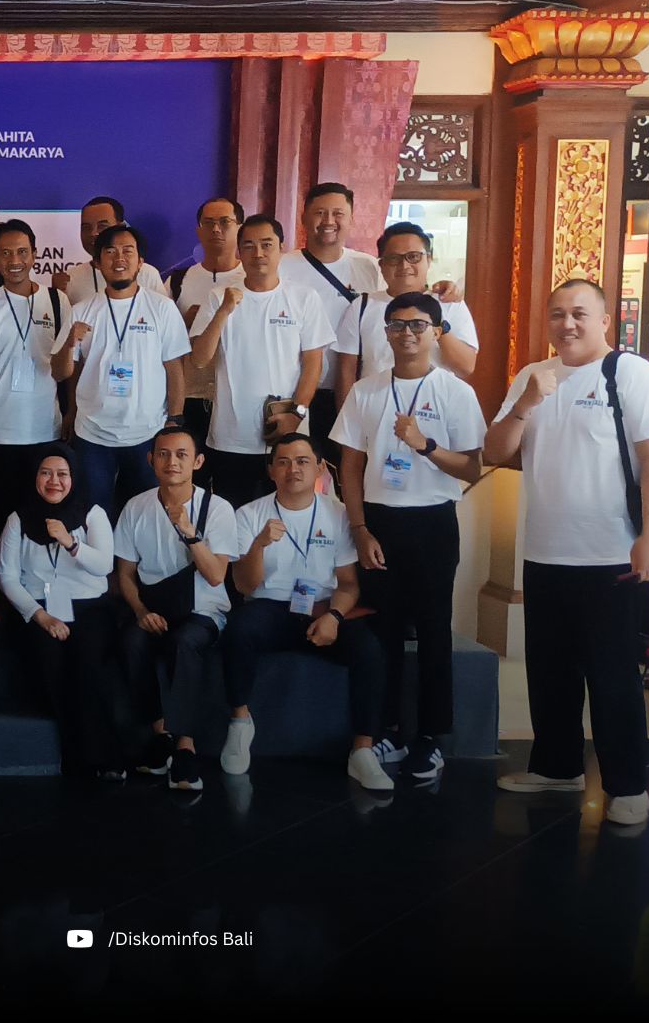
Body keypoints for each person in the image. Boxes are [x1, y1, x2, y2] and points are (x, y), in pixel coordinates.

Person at [485, 279, 649, 826]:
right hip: (546, 550)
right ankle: (557, 766)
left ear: (606, 321)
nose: (567, 324)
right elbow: (495, 451)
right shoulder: (532, 375)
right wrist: (526, 403)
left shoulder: (631, 374)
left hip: (611, 554)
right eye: (557, 314)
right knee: (550, 671)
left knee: (612, 676)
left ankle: (627, 784)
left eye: (580, 314)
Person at [332, 292, 485, 782]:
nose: (407, 334)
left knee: (435, 630)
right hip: (379, 523)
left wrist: (425, 445)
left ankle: (431, 738)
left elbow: (472, 468)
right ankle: (392, 732)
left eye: (418, 325)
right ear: (386, 333)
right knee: (386, 632)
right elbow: (349, 467)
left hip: (433, 521)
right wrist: (359, 529)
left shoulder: (455, 392)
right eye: (397, 325)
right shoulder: (366, 391)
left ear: (437, 332)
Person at [225, 434, 389, 789]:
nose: (293, 470)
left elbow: (349, 584)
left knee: (368, 649)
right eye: (283, 462)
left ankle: (363, 750)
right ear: (271, 470)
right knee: (238, 630)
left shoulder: (340, 514)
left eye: (302, 461)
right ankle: (240, 722)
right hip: (270, 605)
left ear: (319, 468)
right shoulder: (249, 514)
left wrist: (334, 617)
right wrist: (259, 545)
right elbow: (244, 586)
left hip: (322, 608)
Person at [114, 426, 242, 792]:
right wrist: (140, 610)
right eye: (164, 454)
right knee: (131, 642)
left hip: (204, 610)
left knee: (184, 642)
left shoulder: (217, 508)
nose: (172, 461)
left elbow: (216, 576)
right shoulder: (136, 507)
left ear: (198, 462)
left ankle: (186, 746)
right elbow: (124, 575)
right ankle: (161, 735)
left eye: (182, 454)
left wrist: (189, 532)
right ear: (150, 459)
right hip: (153, 607)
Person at [0, 445, 125, 781]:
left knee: (87, 663)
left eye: (62, 474)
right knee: (50, 665)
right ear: (35, 477)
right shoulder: (18, 518)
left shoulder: (92, 513)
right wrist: (41, 616)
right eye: (46, 473)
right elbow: (6, 577)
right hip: (38, 608)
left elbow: (104, 566)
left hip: (89, 606)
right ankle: (78, 757)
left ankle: (102, 757)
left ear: (74, 478)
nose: (54, 481)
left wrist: (71, 543)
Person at [188, 214, 333, 503]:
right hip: (230, 435)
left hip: (285, 435)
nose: (258, 253)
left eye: (267, 244)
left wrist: (296, 414)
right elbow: (199, 359)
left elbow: (313, 364)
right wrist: (224, 311)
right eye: (249, 246)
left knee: (286, 514)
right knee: (233, 516)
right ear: (239, 252)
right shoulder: (219, 297)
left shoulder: (303, 297)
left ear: (281, 248)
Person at [56, 224, 189, 516]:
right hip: (92, 434)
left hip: (148, 432)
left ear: (141, 261)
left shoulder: (162, 308)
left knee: (145, 515)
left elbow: (174, 368)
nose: (119, 258)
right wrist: (69, 343)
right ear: (97, 262)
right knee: (94, 517)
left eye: (128, 251)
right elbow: (62, 372)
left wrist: (175, 420)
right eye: (110, 252)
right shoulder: (81, 310)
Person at [0, 218, 71, 543]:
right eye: (6, 253)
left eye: (22, 252)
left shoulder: (57, 301)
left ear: (35, 254)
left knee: (41, 521)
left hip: (44, 429)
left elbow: (67, 366)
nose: (15, 261)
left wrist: (72, 412)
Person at [276, 183, 382, 465]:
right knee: (296, 472)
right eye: (320, 213)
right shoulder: (282, 266)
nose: (328, 221)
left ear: (351, 218)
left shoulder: (370, 267)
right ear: (304, 218)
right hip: (296, 392)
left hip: (353, 390)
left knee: (348, 471)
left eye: (338, 213)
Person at [334, 221, 480, 398]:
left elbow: (465, 367)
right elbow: (346, 371)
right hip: (375, 406)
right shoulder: (362, 306)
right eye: (394, 258)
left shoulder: (448, 302)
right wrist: (348, 412)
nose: (404, 265)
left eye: (413, 257)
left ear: (428, 260)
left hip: (435, 405)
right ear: (381, 265)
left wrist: (438, 321)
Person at [168, 197, 246, 444]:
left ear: (240, 228)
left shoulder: (253, 279)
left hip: (239, 395)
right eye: (208, 223)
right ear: (198, 231)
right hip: (190, 396)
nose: (216, 229)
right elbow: (159, 337)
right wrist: (184, 322)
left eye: (225, 222)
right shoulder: (178, 280)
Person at [56, 195, 169, 306]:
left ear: (121, 227)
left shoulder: (147, 274)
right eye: (86, 227)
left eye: (102, 226)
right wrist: (57, 294)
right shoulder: (70, 279)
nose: (93, 233)